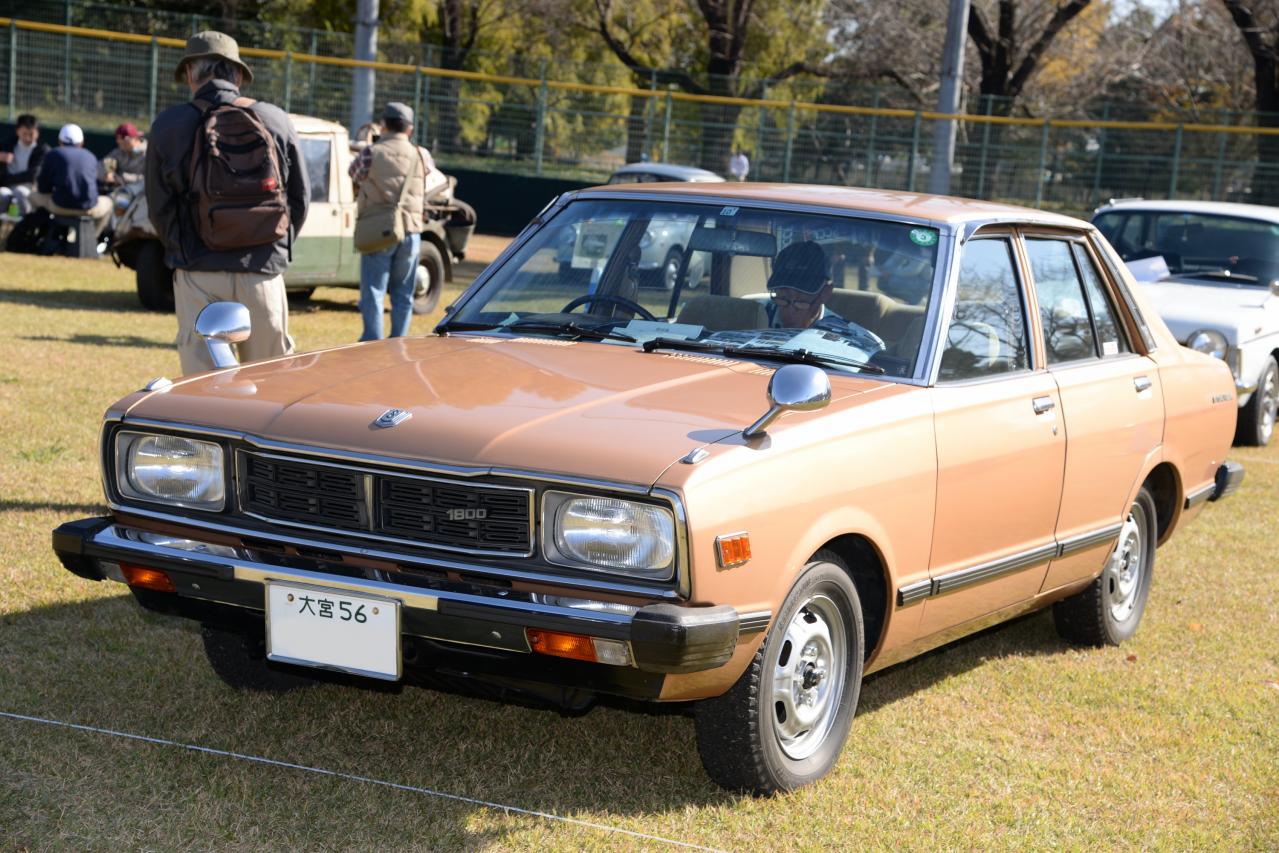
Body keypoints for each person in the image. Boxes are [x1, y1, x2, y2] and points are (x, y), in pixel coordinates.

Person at [146, 31, 309, 375]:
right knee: (271, 381)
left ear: (190, 73)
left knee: (204, 389)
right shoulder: (275, 119)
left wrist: (184, 254)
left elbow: (159, 206)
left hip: (198, 270)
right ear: (237, 75)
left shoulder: (168, 126)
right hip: (262, 271)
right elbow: (300, 198)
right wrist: (273, 245)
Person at [348, 102, 433, 341]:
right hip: (412, 230)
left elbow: (353, 174)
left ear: (383, 125)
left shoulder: (371, 152)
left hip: (379, 229)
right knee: (404, 293)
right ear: (410, 129)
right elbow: (429, 176)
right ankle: (398, 341)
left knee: (373, 291)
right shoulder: (421, 154)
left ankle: (372, 341)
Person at [764, 240, 884, 352]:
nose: (790, 311)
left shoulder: (858, 344)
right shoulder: (753, 318)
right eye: (782, 299)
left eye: (801, 302)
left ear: (825, 293)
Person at [28, 123, 113, 237]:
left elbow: (43, 188)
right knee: (109, 202)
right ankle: (93, 239)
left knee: (32, 196)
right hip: (89, 208)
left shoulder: (53, 153)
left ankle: (39, 235)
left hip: (59, 207)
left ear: (60, 141)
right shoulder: (91, 156)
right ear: (82, 142)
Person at [0, 114, 48, 216]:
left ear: (37, 133)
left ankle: (21, 229)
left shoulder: (42, 150)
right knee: (2, 194)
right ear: (18, 131)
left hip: (28, 189)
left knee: (19, 193)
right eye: (24, 133)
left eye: (31, 134)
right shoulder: (7, 145)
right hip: (6, 187)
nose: (27, 138)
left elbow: (32, 176)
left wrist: (6, 179)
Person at [99, 122, 147, 186]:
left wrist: (121, 178)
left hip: (141, 192)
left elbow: (149, 179)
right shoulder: (119, 151)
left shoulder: (148, 153)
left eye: (123, 142)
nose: (119, 143)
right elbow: (104, 163)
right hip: (119, 191)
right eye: (118, 140)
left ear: (132, 139)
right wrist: (108, 173)